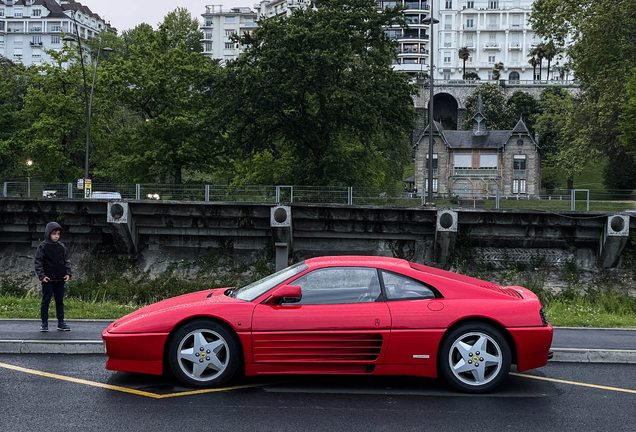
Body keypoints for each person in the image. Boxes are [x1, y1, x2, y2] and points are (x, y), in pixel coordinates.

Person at [34, 222, 72, 332]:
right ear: (48, 233)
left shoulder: (62, 246)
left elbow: (66, 261)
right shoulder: (43, 246)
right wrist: (42, 276)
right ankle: (44, 323)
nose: (56, 236)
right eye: (54, 233)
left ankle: (61, 322)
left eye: (58, 234)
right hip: (48, 280)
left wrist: (68, 273)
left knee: (59, 301)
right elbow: (38, 262)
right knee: (45, 301)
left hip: (60, 279)